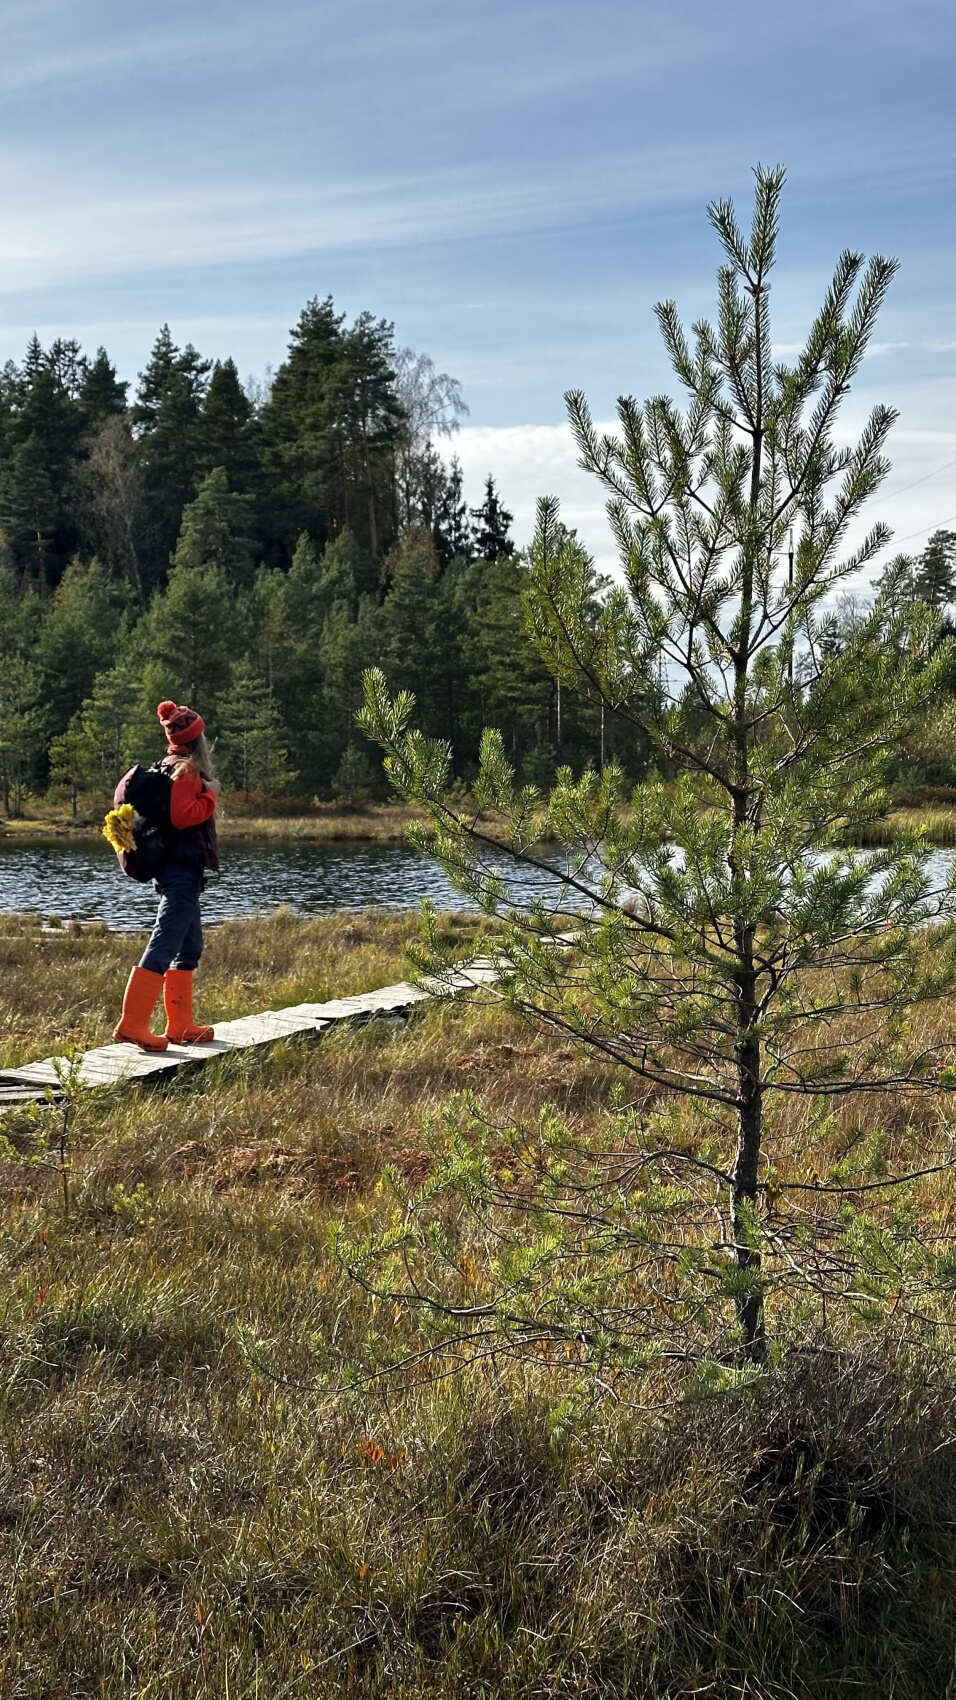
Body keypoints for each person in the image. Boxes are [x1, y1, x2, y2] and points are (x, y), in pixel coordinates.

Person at [114, 700, 221, 1052]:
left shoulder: (167, 765)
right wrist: (210, 795)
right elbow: (182, 816)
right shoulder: (187, 770)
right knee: (164, 943)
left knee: (189, 947)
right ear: (197, 739)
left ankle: (180, 1025)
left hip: (178, 871)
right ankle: (132, 1025)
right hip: (180, 872)